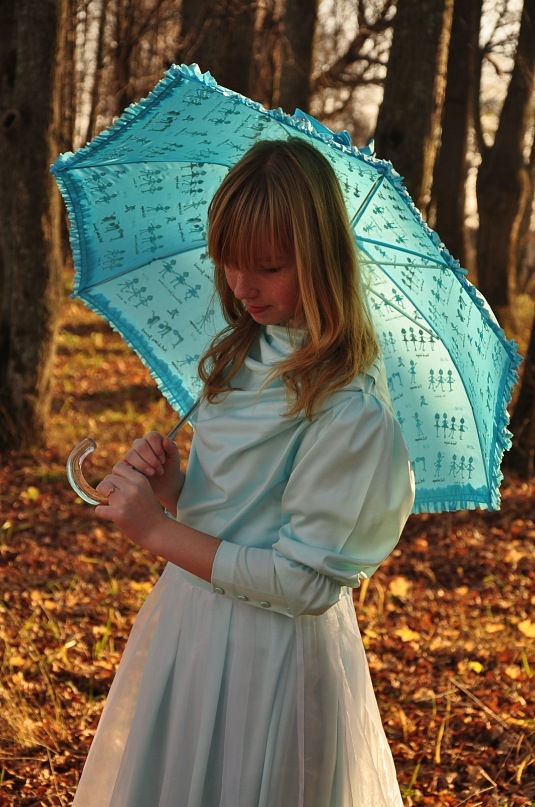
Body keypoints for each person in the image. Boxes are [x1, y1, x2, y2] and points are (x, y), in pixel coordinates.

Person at [72, 138, 415, 807]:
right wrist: (177, 491)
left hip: (270, 657)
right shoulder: (238, 355)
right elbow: (237, 512)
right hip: (191, 624)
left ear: (322, 261)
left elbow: (303, 582)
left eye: (267, 266)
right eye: (228, 261)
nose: (241, 285)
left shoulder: (349, 410)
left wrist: (155, 532)